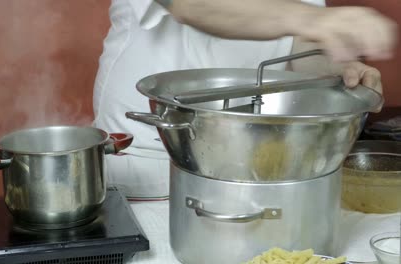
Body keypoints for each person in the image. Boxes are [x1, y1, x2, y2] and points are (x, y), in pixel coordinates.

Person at [93, 0, 396, 199]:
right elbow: (192, 5)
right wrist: (315, 19)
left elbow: (295, 44)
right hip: (145, 166)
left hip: (252, 165)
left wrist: (339, 70)